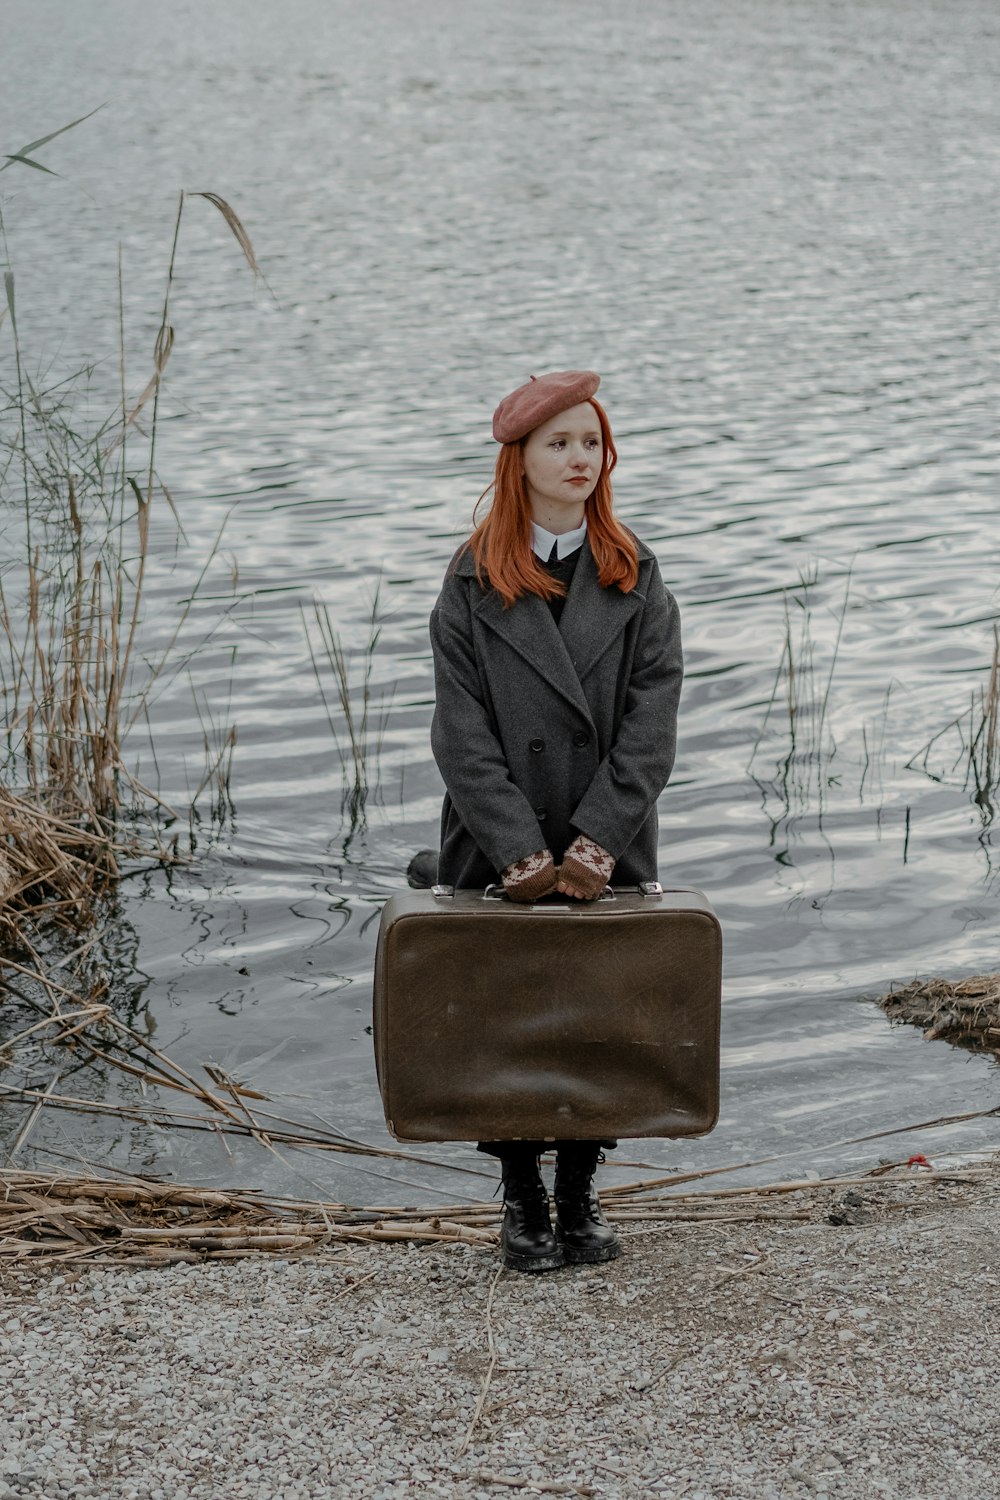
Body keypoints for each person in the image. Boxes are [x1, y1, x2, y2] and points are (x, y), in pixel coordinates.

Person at [427, 370, 683, 1272]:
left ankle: (579, 1195)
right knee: (509, 1018)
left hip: (606, 839)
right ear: (520, 460)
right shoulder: (469, 581)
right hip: (499, 842)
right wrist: (522, 852)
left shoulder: (636, 573)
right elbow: (460, 736)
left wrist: (595, 842)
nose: (581, 458)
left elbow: (654, 725)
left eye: (591, 442)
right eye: (559, 443)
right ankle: (521, 1200)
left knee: (599, 1014)